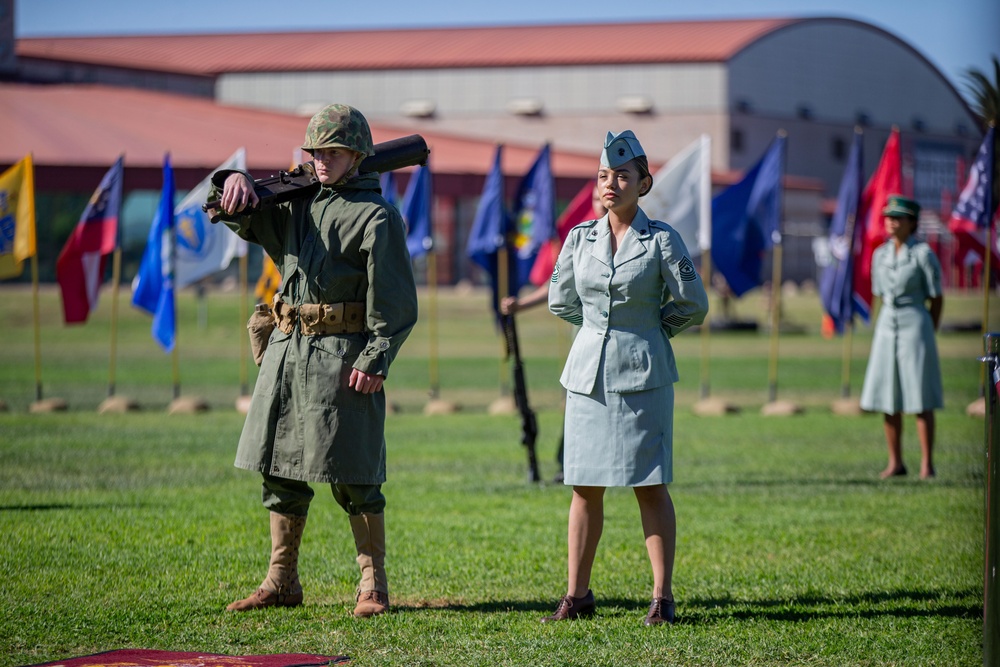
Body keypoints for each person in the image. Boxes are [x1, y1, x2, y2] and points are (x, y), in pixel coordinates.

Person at [209, 104, 418, 618]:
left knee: (356, 474)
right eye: (315, 152)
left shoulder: (377, 216)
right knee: (278, 468)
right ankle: (282, 581)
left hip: (343, 357)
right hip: (286, 351)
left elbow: (394, 301)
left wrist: (376, 356)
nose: (321, 161)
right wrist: (233, 182)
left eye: (333, 151)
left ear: (358, 155)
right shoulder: (295, 203)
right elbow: (233, 211)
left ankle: (373, 586)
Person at [545, 130, 709, 626]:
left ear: (643, 183)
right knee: (583, 485)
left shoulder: (662, 239)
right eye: (603, 176)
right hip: (588, 375)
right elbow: (560, 300)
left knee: (650, 484)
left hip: (644, 373)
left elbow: (693, 303)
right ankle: (577, 595)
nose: (610, 184)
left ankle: (662, 597)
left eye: (621, 175)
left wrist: (655, 331)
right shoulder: (579, 238)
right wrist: (598, 334)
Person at [501, 184, 605, 482]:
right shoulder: (584, 240)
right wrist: (521, 305)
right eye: (596, 199)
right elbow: (556, 286)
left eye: (603, 199)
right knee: (579, 401)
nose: (600, 204)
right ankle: (567, 463)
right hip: (586, 340)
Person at [859, 194, 943, 480]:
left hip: (915, 322)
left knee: (920, 395)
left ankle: (927, 463)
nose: (892, 222)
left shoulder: (922, 254)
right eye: (889, 217)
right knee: (888, 394)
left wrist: (928, 329)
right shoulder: (880, 254)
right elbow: (879, 293)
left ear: (912, 223)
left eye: (899, 218)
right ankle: (895, 462)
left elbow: (936, 297)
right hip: (887, 323)